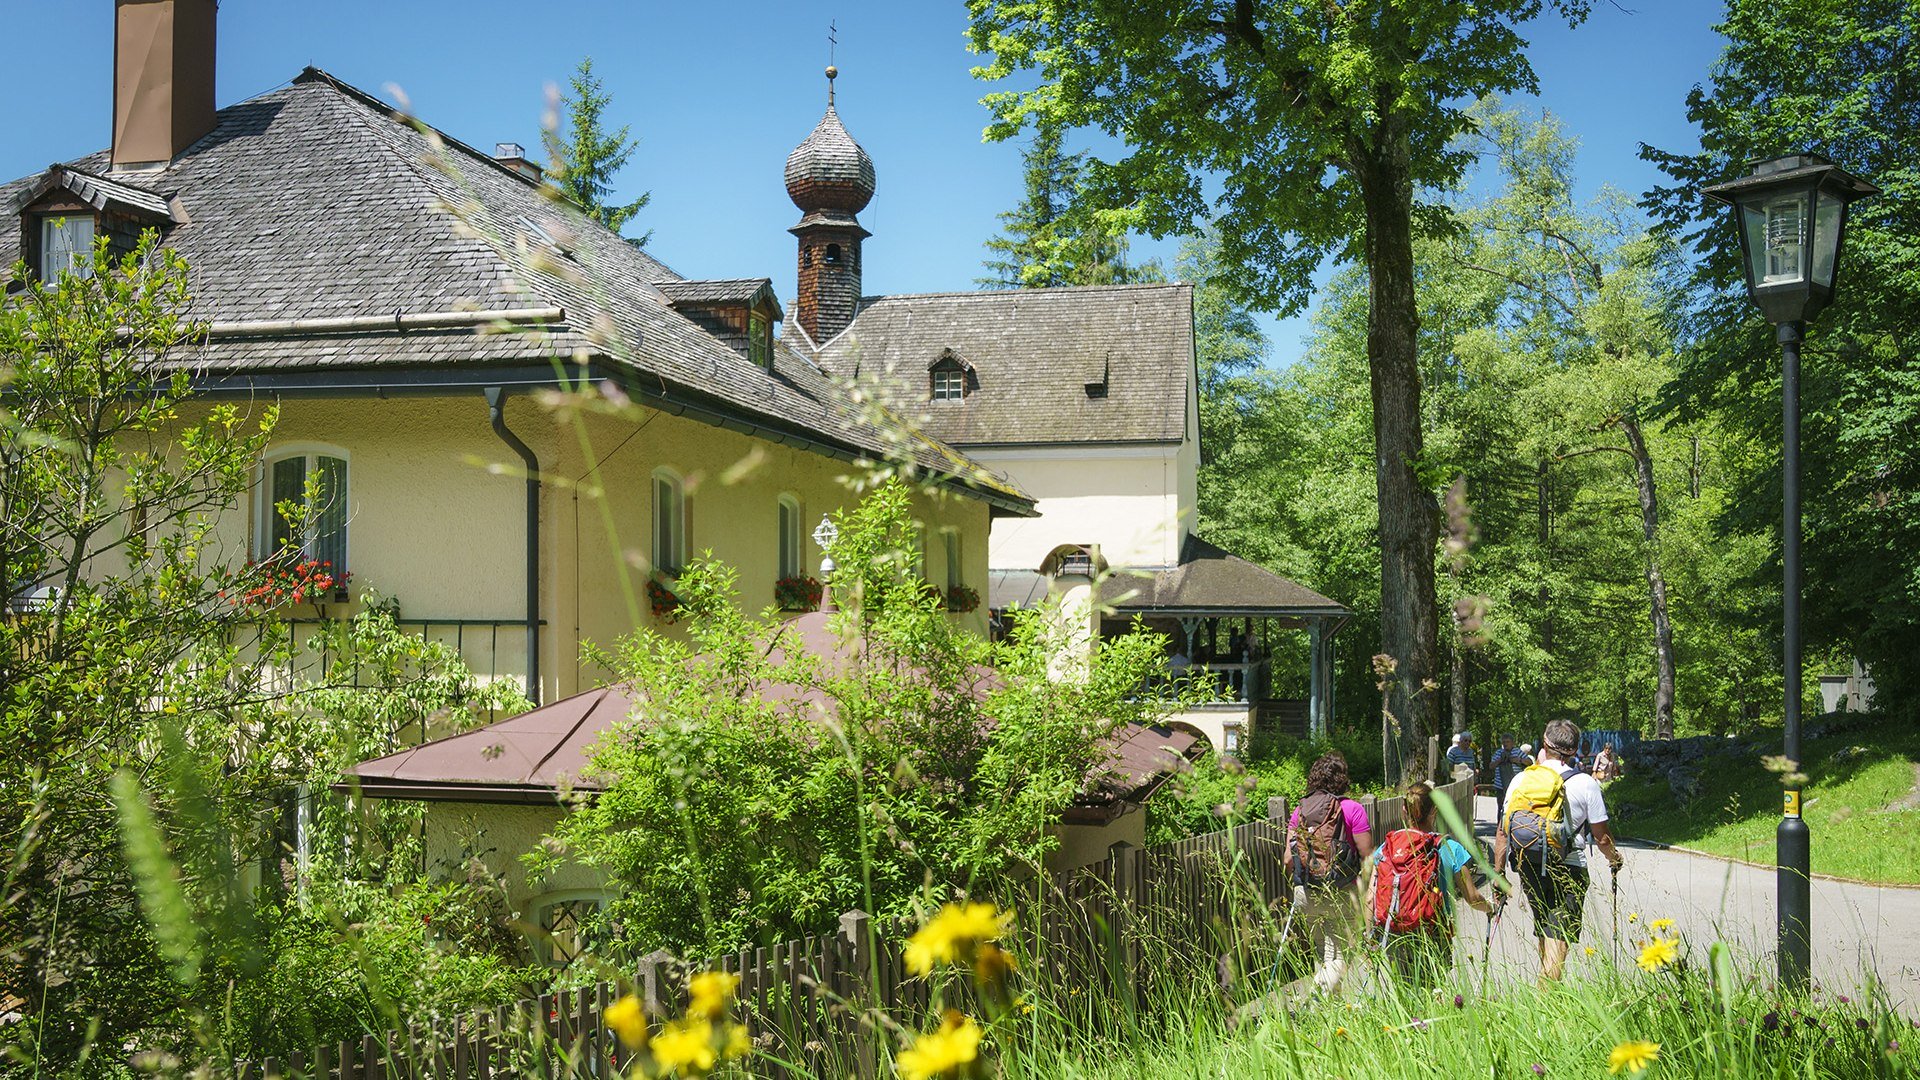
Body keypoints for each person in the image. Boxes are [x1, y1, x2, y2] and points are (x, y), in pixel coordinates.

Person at [1492, 718, 1624, 984]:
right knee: (1558, 936)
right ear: (1574, 751)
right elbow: (1601, 837)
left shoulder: (1520, 780)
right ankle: (1545, 1004)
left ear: (1544, 744)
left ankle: (1546, 994)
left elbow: (1502, 831)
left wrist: (1498, 875)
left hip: (1528, 862)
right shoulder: (1586, 783)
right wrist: (1615, 859)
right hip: (1569, 867)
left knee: (1545, 929)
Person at [1366, 782, 1500, 985]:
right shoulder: (1450, 848)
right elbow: (1472, 898)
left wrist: (1369, 939)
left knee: (1404, 990)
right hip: (1432, 933)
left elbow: (1370, 898)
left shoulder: (1387, 848)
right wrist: (1490, 907)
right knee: (1433, 991)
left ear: (1404, 811)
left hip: (1394, 934)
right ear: (1434, 811)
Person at [1284, 751, 1375, 993]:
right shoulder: (1352, 809)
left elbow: (1287, 860)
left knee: (1323, 954)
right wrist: (1365, 893)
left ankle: (1328, 1018)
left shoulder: (1299, 812)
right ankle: (1315, 1000)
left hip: (1306, 893)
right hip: (1341, 893)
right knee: (1338, 957)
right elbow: (1368, 857)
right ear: (1342, 779)